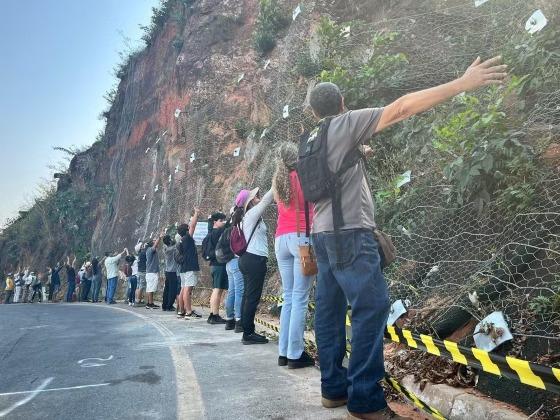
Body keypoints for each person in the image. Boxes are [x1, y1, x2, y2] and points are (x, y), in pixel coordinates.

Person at [306, 56, 507, 419]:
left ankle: (333, 389)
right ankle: (365, 399)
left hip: (321, 236)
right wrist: (462, 83)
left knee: (330, 312)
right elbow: (400, 108)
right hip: (350, 235)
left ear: (311, 112)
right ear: (341, 104)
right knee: (371, 308)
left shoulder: (312, 139)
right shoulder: (345, 124)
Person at [272, 142, 315, 369]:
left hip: (280, 239)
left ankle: (283, 351)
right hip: (300, 239)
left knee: (289, 297)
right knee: (299, 298)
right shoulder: (302, 176)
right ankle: (295, 354)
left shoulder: (278, 181)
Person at [234, 186, 274, 344]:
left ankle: (246, 329)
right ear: (249, 202)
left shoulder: (248, 217)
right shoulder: (251, 214)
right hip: (254, 259)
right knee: (252, 297)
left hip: (247, 259)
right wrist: (276, 183)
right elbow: (266, 200)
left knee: (247, 296)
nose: (258, 196)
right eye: (255, 196)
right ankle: (248, 334)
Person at [176, 208, 202, 319]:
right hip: (189, 267)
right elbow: (193, 225)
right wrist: (196, 213)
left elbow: (191, 226)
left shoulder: (181, 240)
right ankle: (188, 311)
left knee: (183, 288)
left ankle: (181, 311)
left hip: (183, 268)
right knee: (187, 289)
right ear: (187, 230)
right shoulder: (187, 238)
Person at [205, 212, 228, 324]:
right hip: (219, 264)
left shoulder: (211, 233)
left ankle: (213, 314)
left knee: (217, 289)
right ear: (215, 222)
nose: (223, 222)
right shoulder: (217, 232)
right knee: (217, 289)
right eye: (221, 220)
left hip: (214, 264)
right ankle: (214, 315)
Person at [224, 207, 244, 332]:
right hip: (236, 262)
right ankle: (239, 320)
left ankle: (229, 320)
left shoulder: (227, 228)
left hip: (228, 263)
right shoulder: (238, 227)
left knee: (231, 291)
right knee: (239, 291)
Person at [162, 235, 179, 312]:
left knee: (167, 289)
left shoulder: (165, 248)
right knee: (173, 290)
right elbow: (176, 246)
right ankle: (169, 306)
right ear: (169, 241)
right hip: (173, 272)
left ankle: (164, 305)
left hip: (167, 271)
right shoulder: (172, 249)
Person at [145, 236, 162, 309]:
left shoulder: (149, 250)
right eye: (154, 241)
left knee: (150, 288)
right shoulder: (150, 250)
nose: (156, 242)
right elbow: (155, 245)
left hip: (150, 272)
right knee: (151, 289)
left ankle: (149, 303)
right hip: (151, 273)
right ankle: (150, 303)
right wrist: (160, 237)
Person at [135, 241, 147, 306]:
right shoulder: (143, 253)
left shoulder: (140, 254)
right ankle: (138, 301)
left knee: (139, 286)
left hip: (140, 271)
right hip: (143, 271)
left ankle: (138, 300)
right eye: (142, 245)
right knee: (142, 286)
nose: (143, 246)